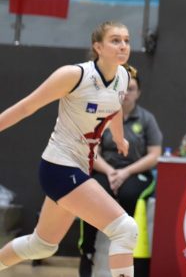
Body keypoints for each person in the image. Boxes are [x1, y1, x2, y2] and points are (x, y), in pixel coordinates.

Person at [0, 21, 138, 276]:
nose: (123, 46)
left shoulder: (124, 76)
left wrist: (119, 137)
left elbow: (115, 105)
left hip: (79, 168)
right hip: (59, 167)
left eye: (126, 41)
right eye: (115, 40)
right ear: (98, 47)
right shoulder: (74, 75)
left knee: (41, 245)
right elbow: (26, 107)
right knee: (125, 229)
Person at [79, 69, 162, 277]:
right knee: (92, 195)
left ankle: (128, 257)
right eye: (123, 89)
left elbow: (154, 154)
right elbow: (91, 151)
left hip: (135, 172)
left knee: (129, 195)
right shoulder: (102, 115)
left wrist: (125, 172)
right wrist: (110, 172)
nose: (126, 93)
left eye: (131, 89)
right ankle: (87, 252)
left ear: (138, 93)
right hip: (105, 169)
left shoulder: (147, 119)